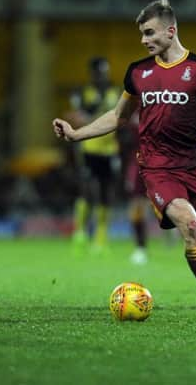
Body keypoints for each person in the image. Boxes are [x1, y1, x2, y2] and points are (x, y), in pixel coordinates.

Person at [53, 0, 196, 323]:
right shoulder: (138, 72)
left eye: (149, 33)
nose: (144, 40)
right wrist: (77, 134)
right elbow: (118, 116)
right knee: (190, 226)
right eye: (142, 34)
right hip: (157, 169)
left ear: (171, 30)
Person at [66, 57, 121, 254]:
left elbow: (122, 117)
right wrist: (91, 112)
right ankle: (79, 232)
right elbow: (74, 117)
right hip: (88, 148)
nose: (103, 76)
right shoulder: (83, 92)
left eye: (105, 72)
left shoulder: (116, 92)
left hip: (110, 149)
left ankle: (101, 237)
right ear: (93, 73)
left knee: (106, 192)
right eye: (99, 72)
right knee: (87, 190)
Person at [117, 114, 150, 265]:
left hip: (161, 163)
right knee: (137, 206)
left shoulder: (163, 108)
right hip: (137, 165)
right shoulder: (134, 116)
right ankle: (140, 247)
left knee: (170, 206)